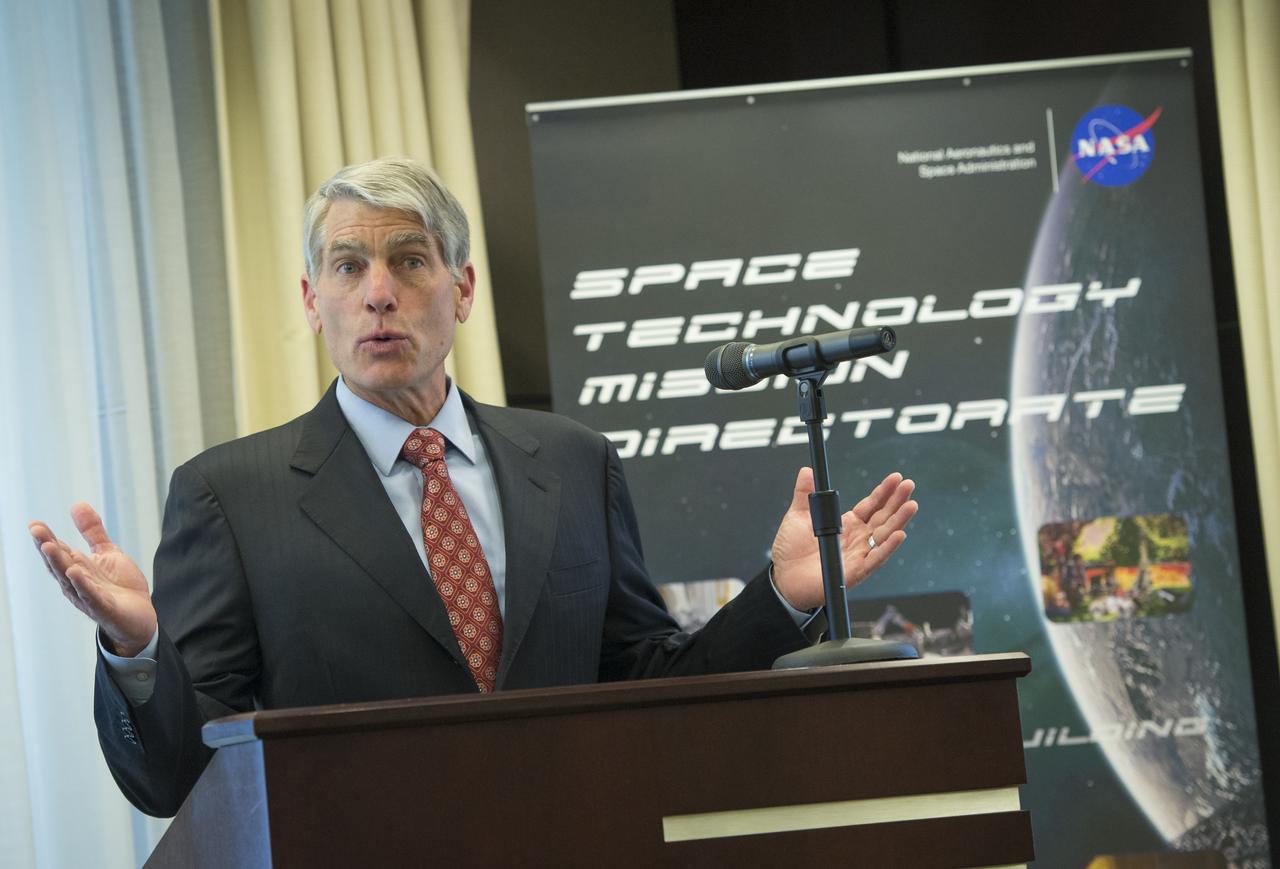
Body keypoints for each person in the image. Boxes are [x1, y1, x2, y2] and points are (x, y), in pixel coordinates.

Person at [28, 157, 918, 817]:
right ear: (311, 299)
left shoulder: (573, 462)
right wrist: (139, 648)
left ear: (462, 289)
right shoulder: (229, 494)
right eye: (347, 267)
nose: (379, 293)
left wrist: (782, 596)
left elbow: (642, 683)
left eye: (410, 262)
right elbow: (183, 772)